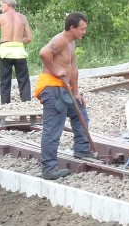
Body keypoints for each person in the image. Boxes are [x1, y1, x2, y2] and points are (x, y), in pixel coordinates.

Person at [34, 12, 93, 180]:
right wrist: (55, 70)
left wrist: (75, 92)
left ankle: (82, 149)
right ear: (72, 27)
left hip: (65, 88)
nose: (84, 32)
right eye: (82, 29)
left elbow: (73, 68)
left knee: (79, 110)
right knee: (53, 128)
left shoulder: (71, 43)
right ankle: (49, 168)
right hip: (52, 88)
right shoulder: (61, 40)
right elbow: (44, 53)